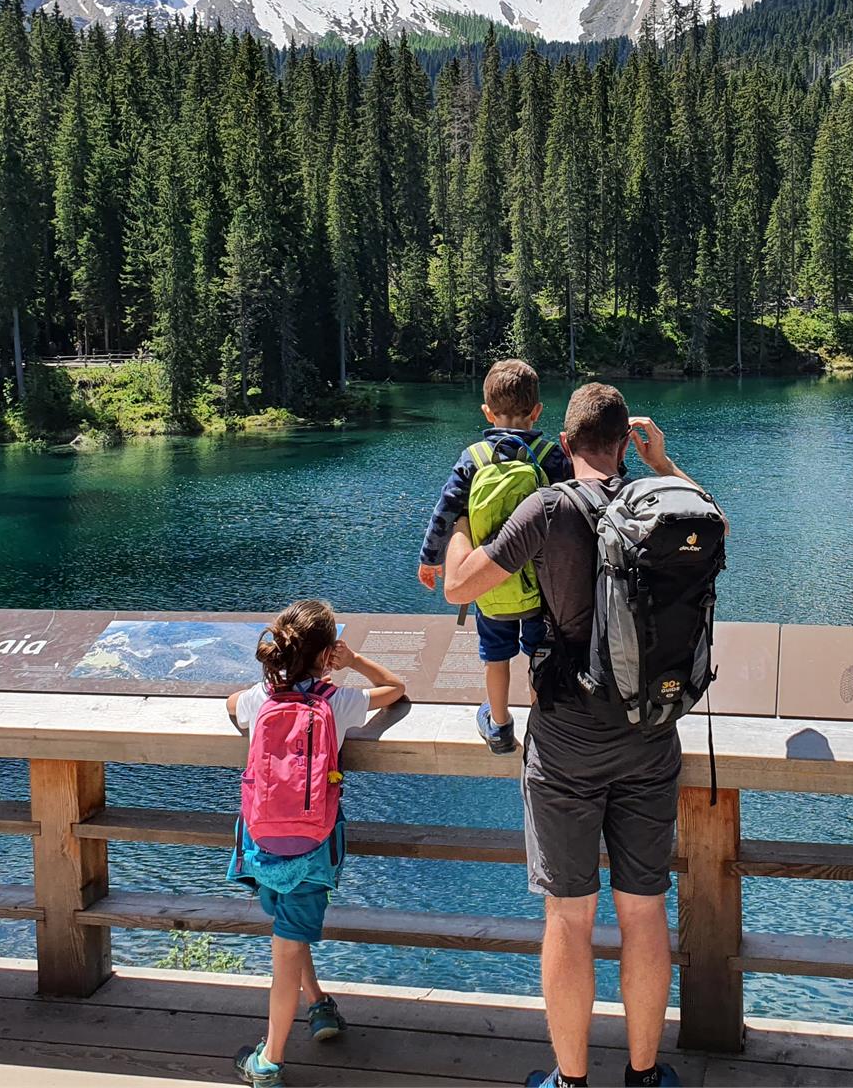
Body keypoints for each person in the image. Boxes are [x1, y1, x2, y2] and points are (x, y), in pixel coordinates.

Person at [443, 384, 695, 1088]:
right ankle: (645, 1076)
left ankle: (572, 1080)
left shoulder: (548, 508)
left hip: (566, 737)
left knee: (569, 916)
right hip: (650, 731)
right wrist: (665, 462)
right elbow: (717, 521)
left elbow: (459, 587)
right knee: (644, 912)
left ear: (565, 439)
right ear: (623, 442)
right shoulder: (661, 504)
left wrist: (462, 519)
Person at [226, 598, 406, 1088]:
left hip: (260, 845)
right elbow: (396, 690)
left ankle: (311, 1013)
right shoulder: (337, 701)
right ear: (327, 654)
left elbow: (229, 706)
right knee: (288, 948)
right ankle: (272, 1064)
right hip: (313, 849)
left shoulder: (257, 700)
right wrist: (355, 663)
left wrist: (269, 683)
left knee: (286, 936)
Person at [416, 358, 572, 754]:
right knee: (540, 654)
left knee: (496, 657)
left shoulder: (473, 458)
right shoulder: (551, 456)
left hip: (491, 586)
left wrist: (430, 557)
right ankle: (546, 723)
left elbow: (445, 512)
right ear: (537, 411)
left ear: (486, 411)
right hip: (542, 588)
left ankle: (500, 725)